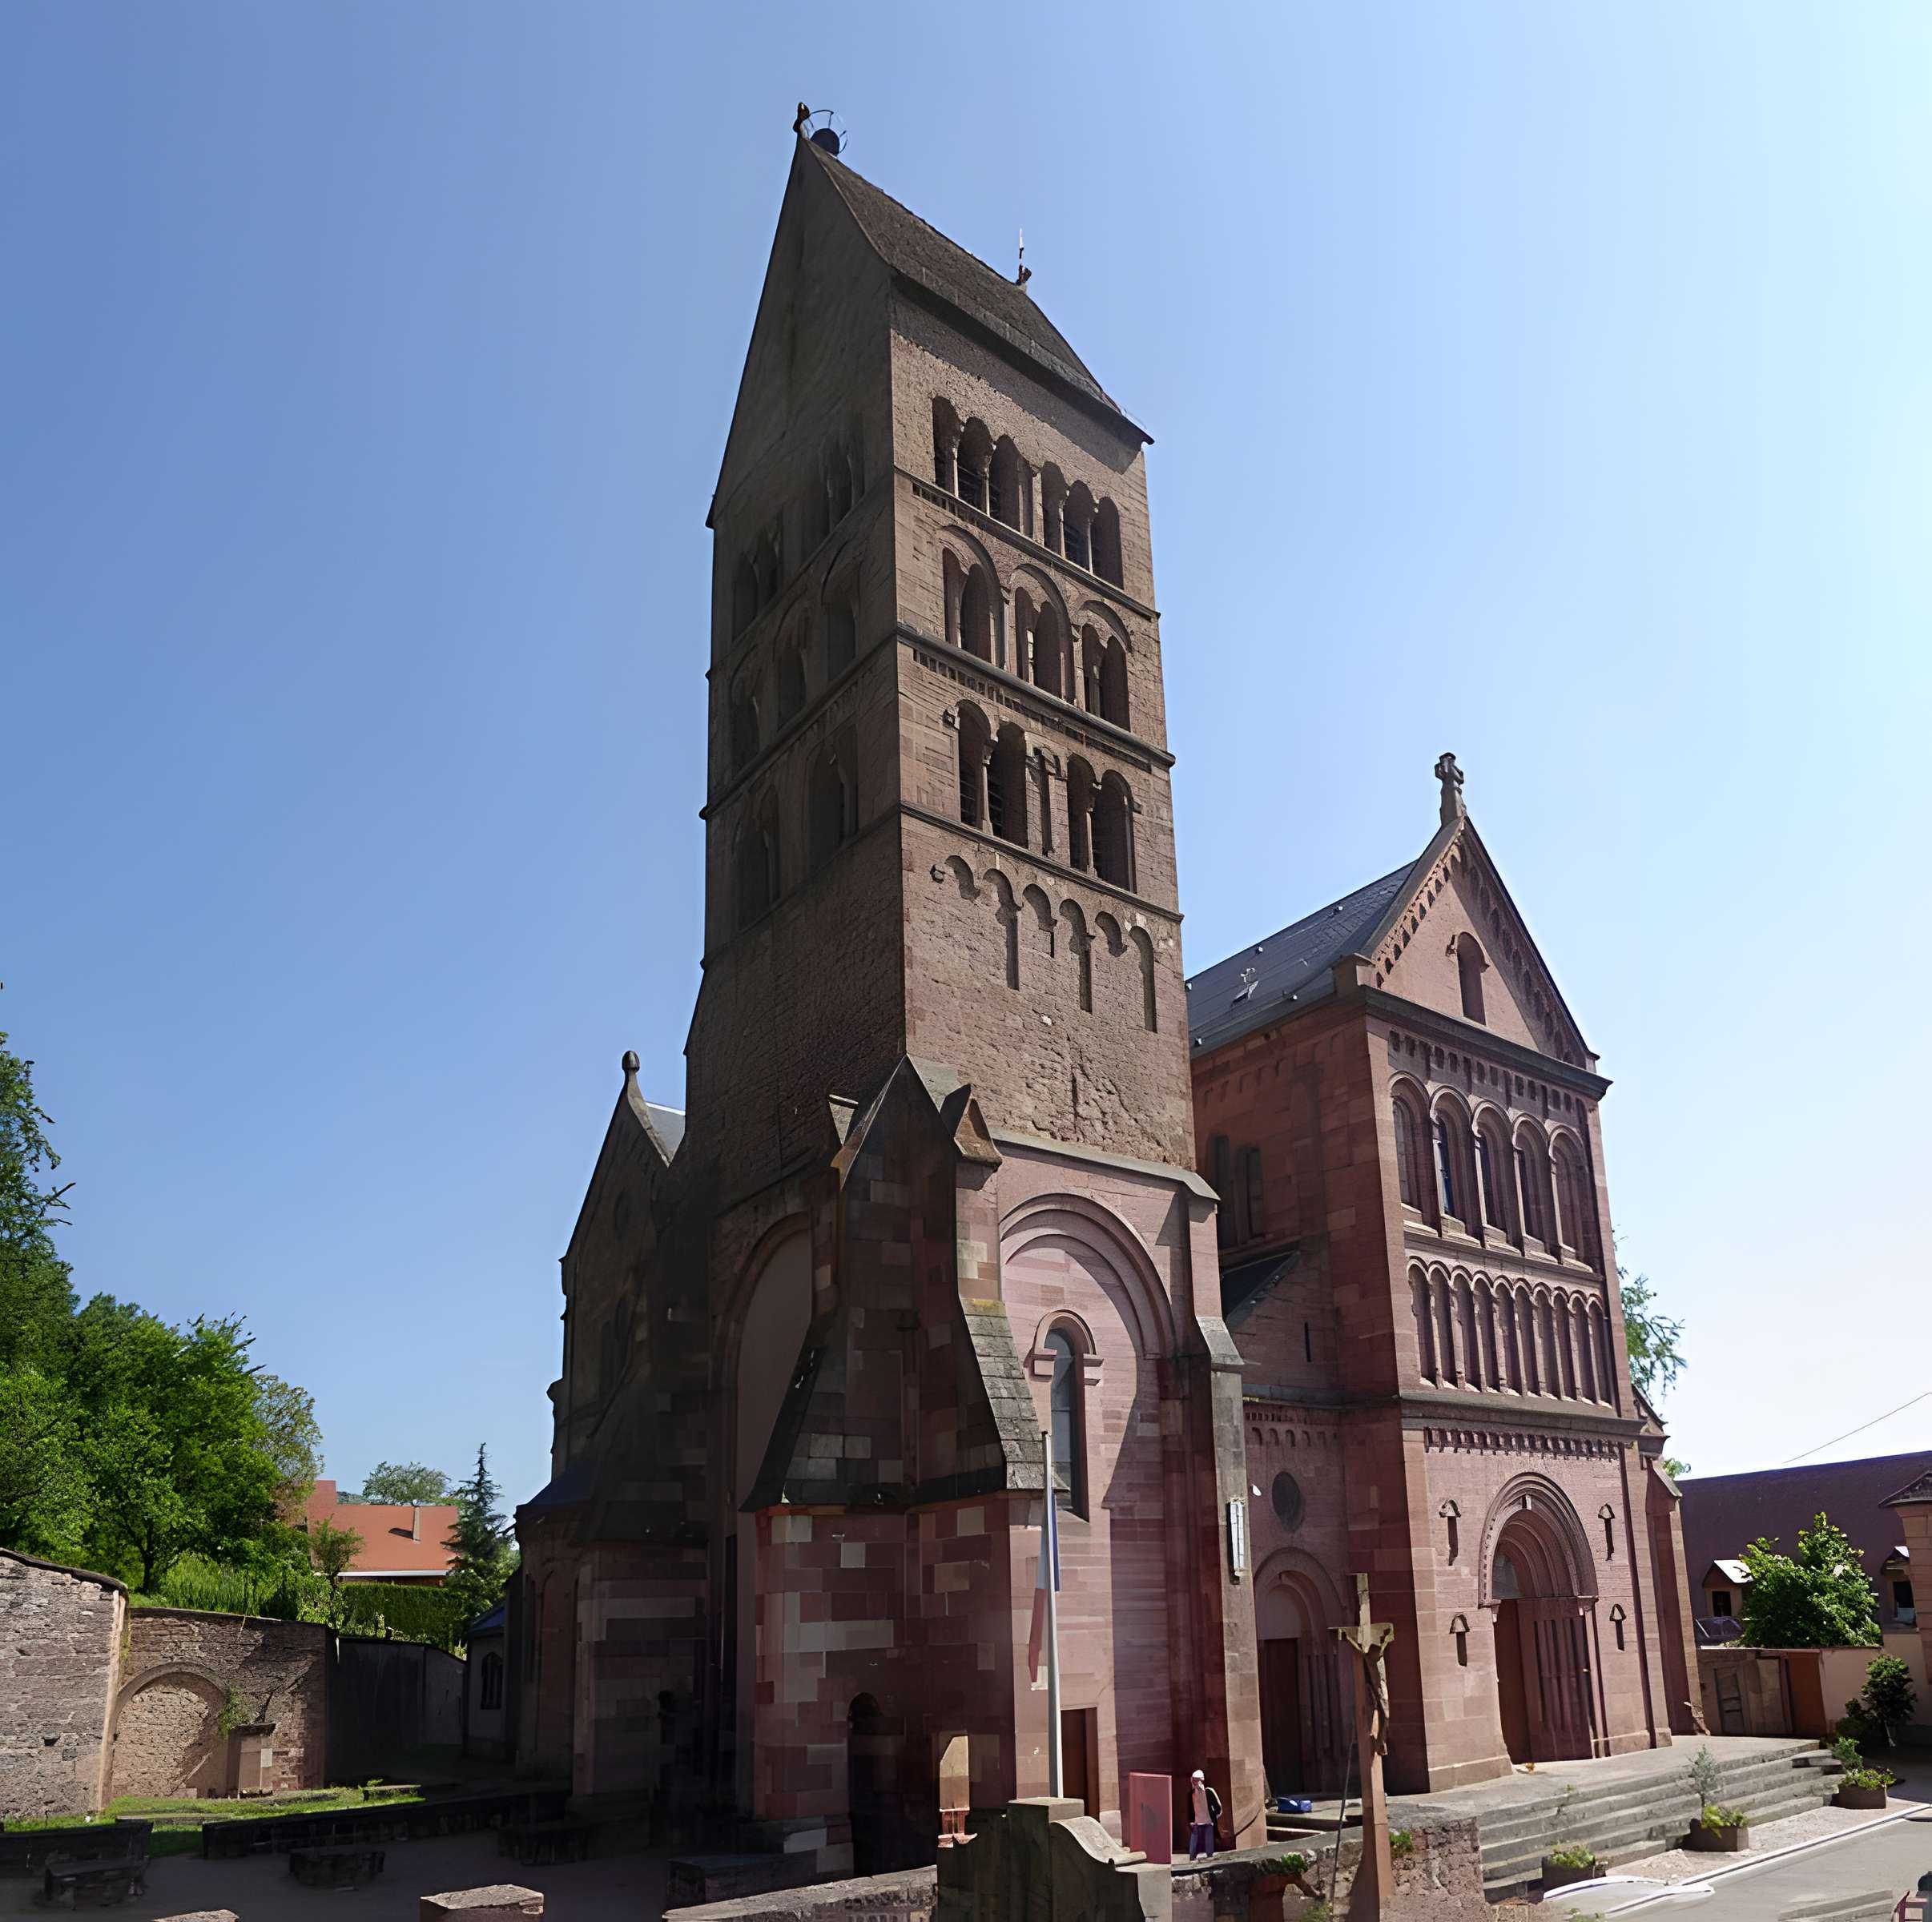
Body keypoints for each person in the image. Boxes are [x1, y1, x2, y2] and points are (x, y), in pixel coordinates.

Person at [1187, 1768, 1222, 1860]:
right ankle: (1192, 1857)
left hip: (1208, 1821)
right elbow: (1190, 1808)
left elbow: (1218, 1806)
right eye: (1193, 1780)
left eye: (1195, 1780)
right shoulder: (1192, 1793)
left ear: (1201, 1781)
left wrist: (1215, 1816)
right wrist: (1191, 1820)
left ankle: (1209, 1856)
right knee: (1194, 1843)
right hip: (1197, 1822)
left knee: (1209, 1841)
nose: (1194, 1782)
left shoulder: (1209, 1792)